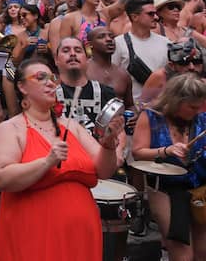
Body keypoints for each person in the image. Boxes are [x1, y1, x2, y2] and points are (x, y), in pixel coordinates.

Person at [0, 58, 122, 261]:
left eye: (52, 78)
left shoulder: (73, 126)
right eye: (41, 78)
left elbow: (103, 171)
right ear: (22, 87)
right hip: (35, 231)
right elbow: (1, 177)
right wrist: (46, 161)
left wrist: (109, 144)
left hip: (81, 233)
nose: (50, 83)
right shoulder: (12, 128)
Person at [131, 73, 206, 259]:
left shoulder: (201, 119)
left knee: (202, 252)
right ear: (176, 102)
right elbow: (138, 152)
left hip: (199, 188)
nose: (197, 111)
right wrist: (167, 150)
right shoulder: (151, 117)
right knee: (183, 255)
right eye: (191, 107)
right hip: (166, 188)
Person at [54, 37, 118, 138]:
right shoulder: (49, 95)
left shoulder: (106, 93)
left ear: (87, 58)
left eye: (78, 50)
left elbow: (119, 134)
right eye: (66, 50)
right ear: (56, 59)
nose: (72, 54)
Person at [113, 0, 170, 102]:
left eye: (155, 13)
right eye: (150, 14)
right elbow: (113, 77)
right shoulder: (118, 43)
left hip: (162, 105)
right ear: (134, 17)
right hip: (132, 108)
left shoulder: (166, 43)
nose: (156, 17)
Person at [139, 39, 204, 104]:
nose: (192, 67)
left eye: (196, 62)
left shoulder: (202, 81)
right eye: (184, 63)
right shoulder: (160, 76)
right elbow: (141, 104)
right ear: (172, 65)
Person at [86, 26, 134, 110]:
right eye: (101, 37)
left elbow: (129, 105)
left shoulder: (123, 75)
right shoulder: (82, 71)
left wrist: (134, 114)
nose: (109, 39)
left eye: (111, 36)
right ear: (90, 44)